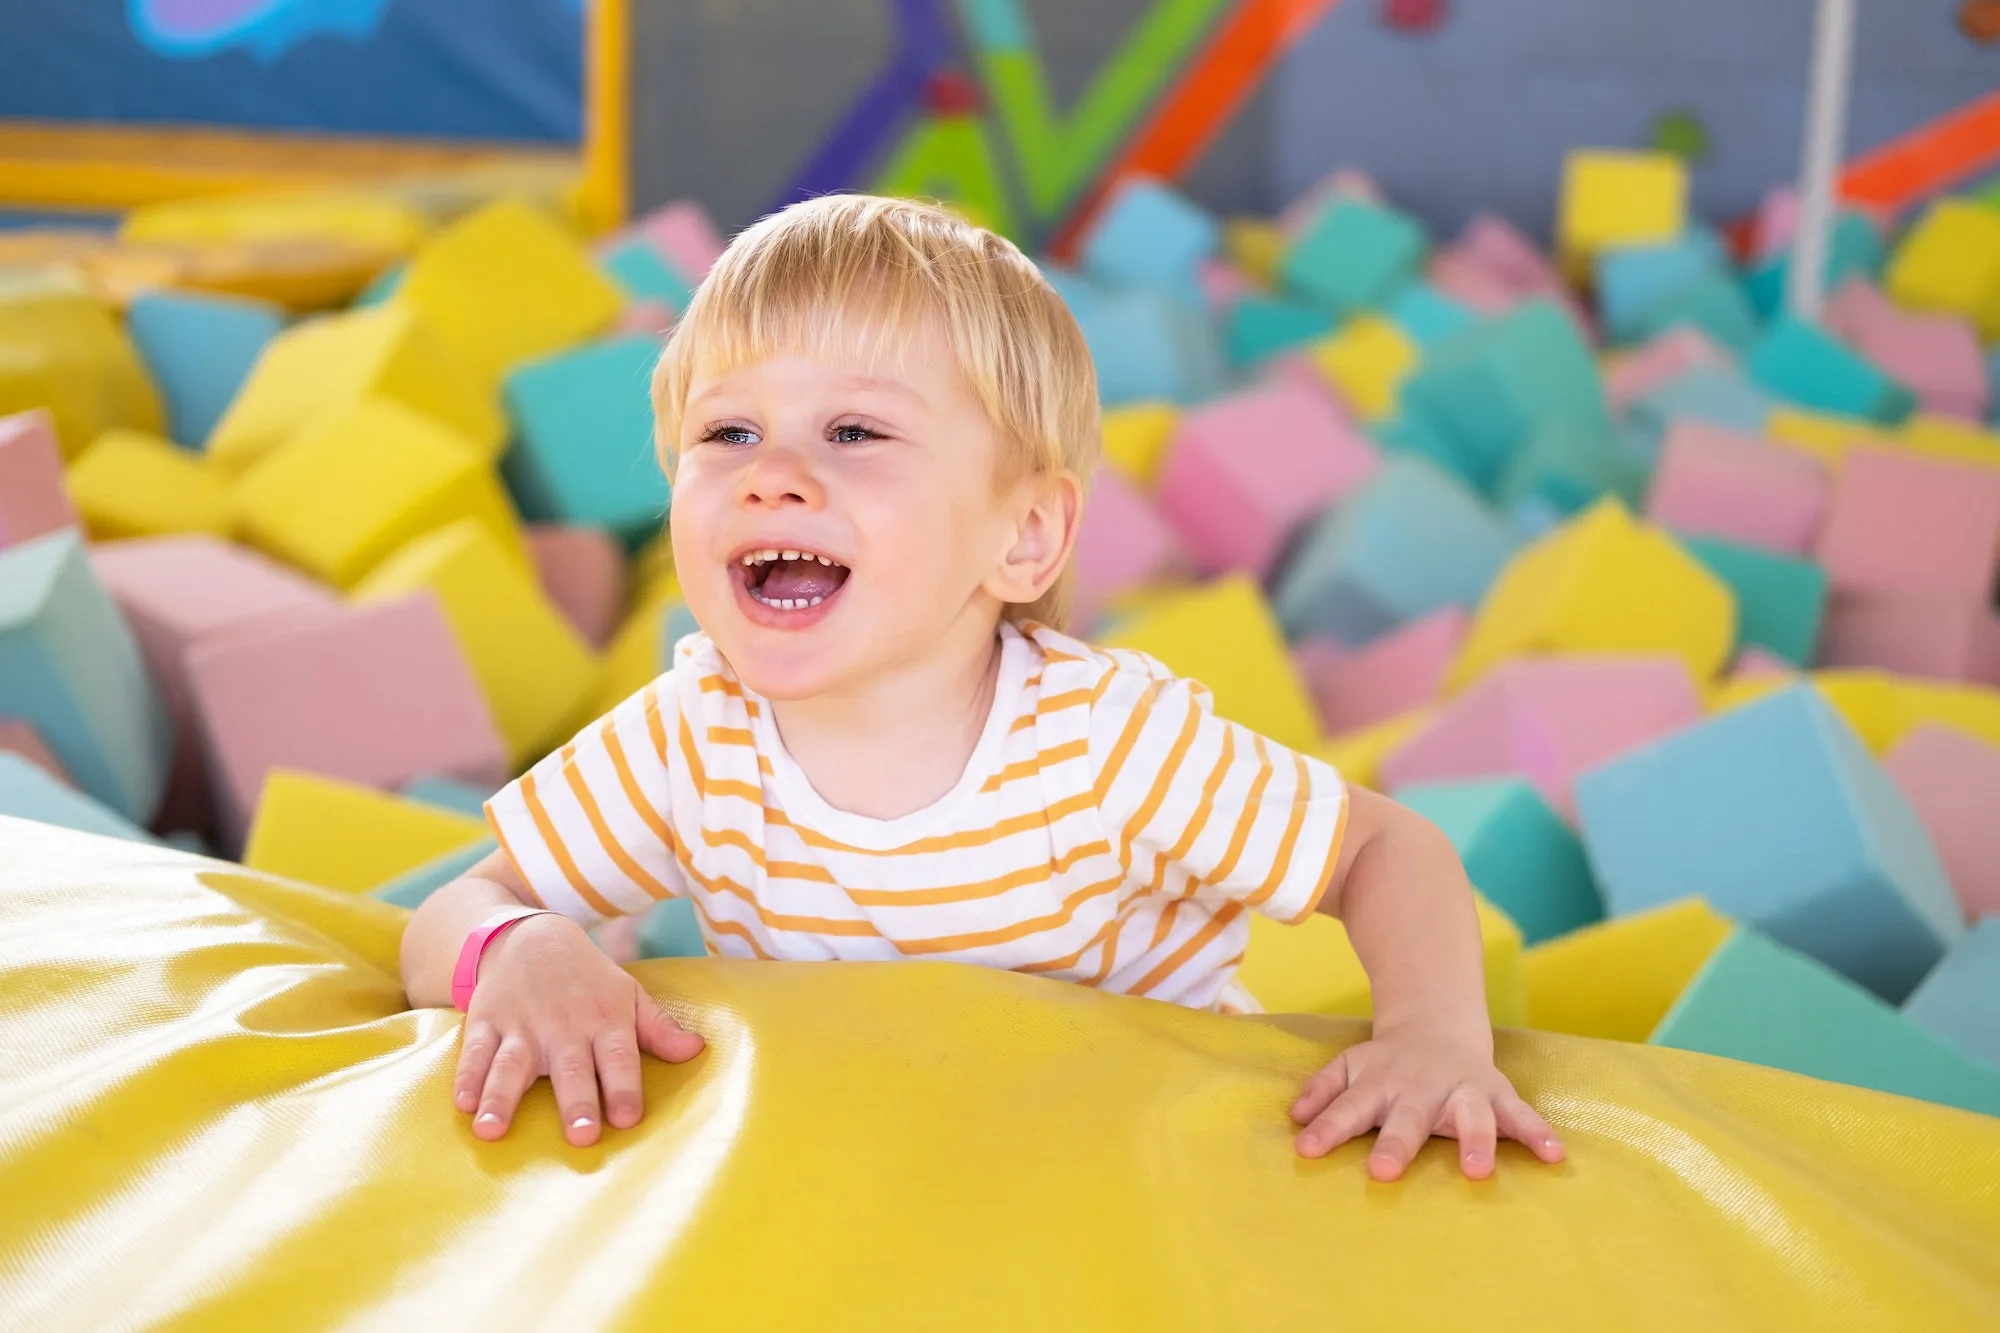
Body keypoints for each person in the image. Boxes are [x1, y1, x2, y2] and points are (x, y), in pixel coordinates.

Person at [399, 194, 1566, 1183]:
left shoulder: (1100, 741)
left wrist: (1430, 1034)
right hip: (863, 1175)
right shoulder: (692, 736)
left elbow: (1383, 852)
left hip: (1123, 1172)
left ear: (1021, 536)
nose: (773, 477)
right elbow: (454, 906)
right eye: (728, 432)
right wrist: (514, 946)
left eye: (854, 430)